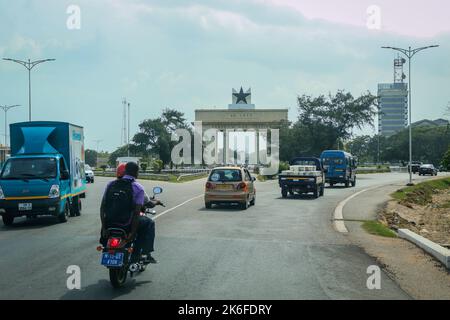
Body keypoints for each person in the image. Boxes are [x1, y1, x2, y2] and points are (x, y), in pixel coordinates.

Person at [100, 162, 159, 264]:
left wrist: (104, 227)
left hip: (110, 224)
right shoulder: (137, 188)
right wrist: (132, 232)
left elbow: (102, 208)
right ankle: (143, 253)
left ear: (125, 171)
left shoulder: (110, 184)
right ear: (136, 173)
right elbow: (136, 213)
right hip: (127, 224)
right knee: (149, 223)